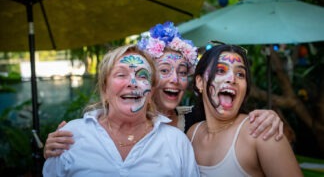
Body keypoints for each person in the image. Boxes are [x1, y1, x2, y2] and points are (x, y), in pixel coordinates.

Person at [43, 21, 283, 159]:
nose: (176, 80)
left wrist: (267, 116)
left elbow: (231, 124)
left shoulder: (198, 119)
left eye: (182, 72)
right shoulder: (108, 124)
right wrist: (59, 146)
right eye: (165, 70)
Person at [43, 45, 199, 176]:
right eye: (121, 74)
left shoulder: (177, 142)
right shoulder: (71, 136)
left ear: (151, 91)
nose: (132, 83)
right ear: (104, 88)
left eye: (142, 76)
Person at [187, 43, 303, 176]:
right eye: (220, 70)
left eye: (240, 74)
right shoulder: (192, 134)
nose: (232, 79)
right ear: (200, 82)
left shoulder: (262, 131)